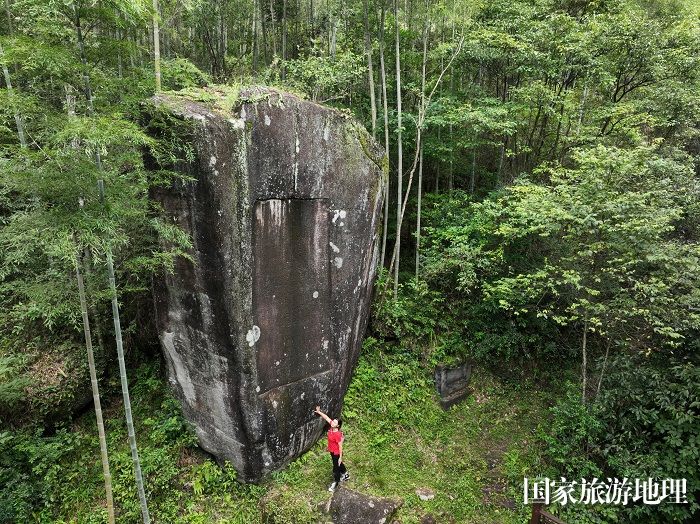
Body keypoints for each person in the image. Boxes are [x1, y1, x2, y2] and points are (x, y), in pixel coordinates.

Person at [314, 405, 349, 492]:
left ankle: (336, 482)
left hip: (337, 453)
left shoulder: (338, 434)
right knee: (338, 464)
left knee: (335, 468)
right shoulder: (332, 427)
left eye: (334, 422)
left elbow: (340, 446)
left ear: (337, 426)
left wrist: (340, 457)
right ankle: (345, 474)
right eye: (333, 421)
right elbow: (326, 418)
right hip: (332, 451)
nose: (332, 422)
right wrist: (319, 412)